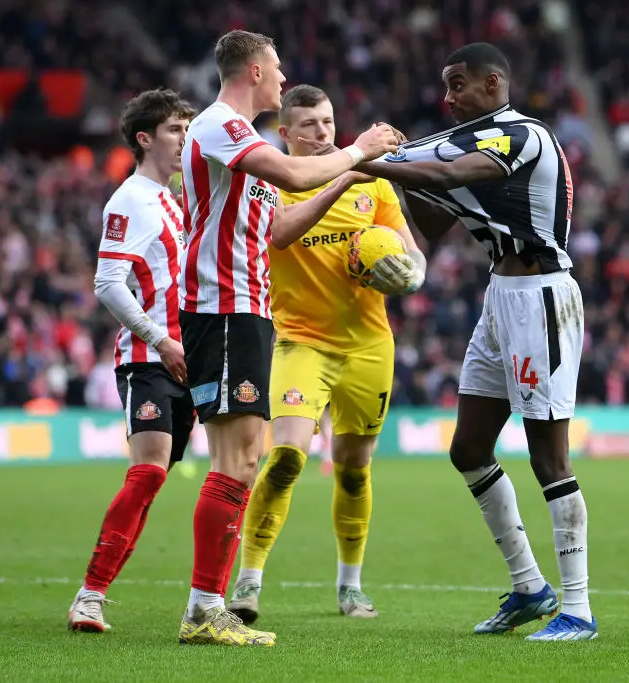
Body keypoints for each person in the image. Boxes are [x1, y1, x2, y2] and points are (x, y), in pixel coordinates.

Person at [352, 42, 596, 641]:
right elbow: (431, 219)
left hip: (542, 295)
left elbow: (452, 172)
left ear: (494, 82)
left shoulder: (519, 135)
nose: (448, 95)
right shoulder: (468, 141)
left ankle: (579, 609)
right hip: (500, 298)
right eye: (445, 85)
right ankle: (529, 588)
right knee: (468, 447)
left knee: (548, 457)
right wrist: (394, 197)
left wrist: (370, 162)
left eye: (459, 83)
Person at [176, 30, 398, 647]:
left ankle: (210, 605)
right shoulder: (222, 125)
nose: (280, 77)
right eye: (275, 69)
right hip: (223, 306)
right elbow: (293, 170)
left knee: (241, 463)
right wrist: (359, 151)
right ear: (252, 70)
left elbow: (280, 217)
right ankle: (204, 608)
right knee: (238, 461)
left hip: (245, 310)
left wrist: (348, 173)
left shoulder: (235, 136)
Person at [226, 84, 426, 624]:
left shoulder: (375, 185)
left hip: (368, 345)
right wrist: (344, 176)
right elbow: (281, 238)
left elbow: (412, 254)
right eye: (309, 125)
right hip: (301, 341)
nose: (322, 132)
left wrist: (406, 275)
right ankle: (248, 582)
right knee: (286, 457)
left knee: (354, 470)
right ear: (284, 134)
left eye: (328, 121)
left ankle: (350, 587)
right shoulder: (271, 183)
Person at [68, 88, 196, 633]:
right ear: (144, 139)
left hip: (189, 360)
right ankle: (90, 596)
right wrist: (159, 339)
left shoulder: (172, 198)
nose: (183, 140)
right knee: (145, 474)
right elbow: (107, 282)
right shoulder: (130, 200)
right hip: (149, 357)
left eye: (188, 130)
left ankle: (204, 601)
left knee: (158, 478)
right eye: (174, 131)